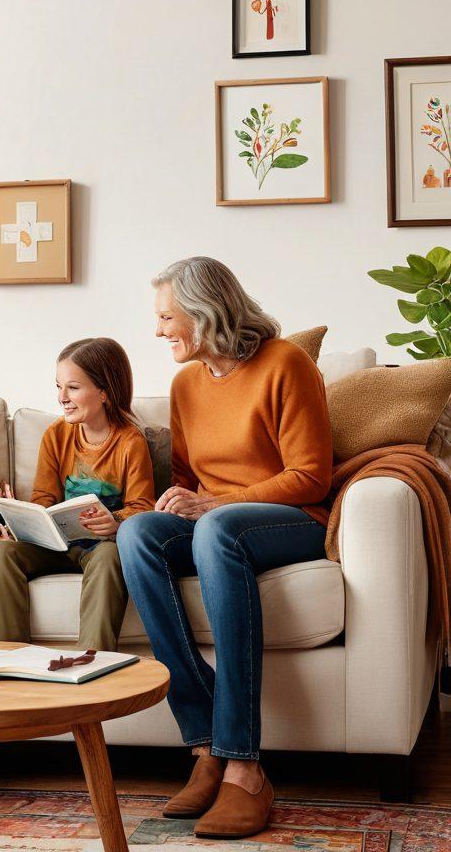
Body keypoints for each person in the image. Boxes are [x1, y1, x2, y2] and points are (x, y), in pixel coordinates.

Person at [116, 257, 332, 840]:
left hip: (291, 521)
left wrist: (211, 506)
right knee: (137, 533)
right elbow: (189, 478)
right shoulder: (185, 384)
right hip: (219, 524)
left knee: (218, 527)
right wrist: (178, 501)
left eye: (166, 317)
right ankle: (206, 742)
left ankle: (245, 765)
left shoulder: (285, 363)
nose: (158, 332)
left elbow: (311, 476)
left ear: (204, 312)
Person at [0, 337, 155, 650]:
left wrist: (115, 521)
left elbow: (143, 506)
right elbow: (44, 500)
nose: (62, 397)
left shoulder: (131, 442)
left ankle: (92, 660)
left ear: (104, 392)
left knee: (109, 556)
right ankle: (8, 662)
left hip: (100, 547)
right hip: (57, 545)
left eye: (73, 387)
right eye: (59, 386)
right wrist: (19, 526)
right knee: (0, 553)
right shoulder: (56, 435)